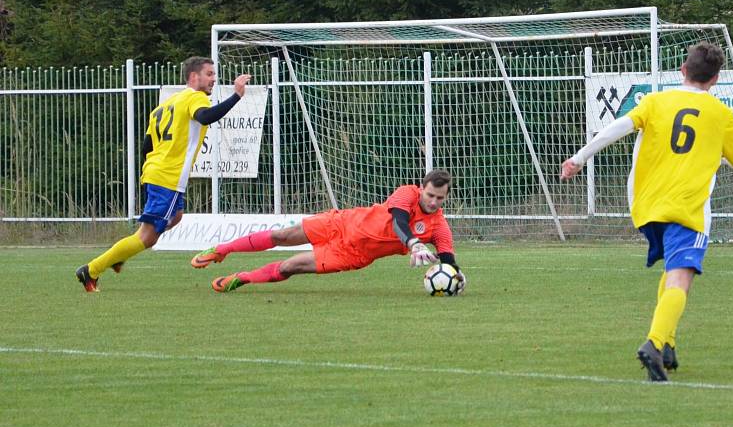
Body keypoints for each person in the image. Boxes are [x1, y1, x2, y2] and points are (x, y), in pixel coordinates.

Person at [560, 42, 733, 381]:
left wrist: (579, 158)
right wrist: (719, 156)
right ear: (716, 79)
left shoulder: (655, 101)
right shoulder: (721, 114)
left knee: (673, 269)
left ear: (683, 69)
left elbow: (617, 127)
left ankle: (667, 343)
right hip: (687, 209)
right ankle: (653, 343)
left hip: (647, 206)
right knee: (682, 277)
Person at [76, 57, 252, 292]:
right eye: (209, 74)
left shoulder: (166, 104)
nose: (213, 79)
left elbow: (147, 146)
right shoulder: (195, 98)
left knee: (176, 216)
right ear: (193, 77)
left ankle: (120, 255)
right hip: (167, 177)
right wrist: (237, 95)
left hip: (156, 172)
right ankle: (92, 270)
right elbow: (206, 117)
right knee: (147, 238)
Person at [190, 169, 464, 293]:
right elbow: (399, 222)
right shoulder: (407, 193)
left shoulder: (439, 226)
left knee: (289, 267)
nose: (433, 201)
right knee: (281, 236)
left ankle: (243, 278)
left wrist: (456, 277)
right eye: (430, 195)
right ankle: (221, 250)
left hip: (352, 254)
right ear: (422, 188)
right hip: (342, 223)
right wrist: (415, 244)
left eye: (440, 199)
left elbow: (448, 259)